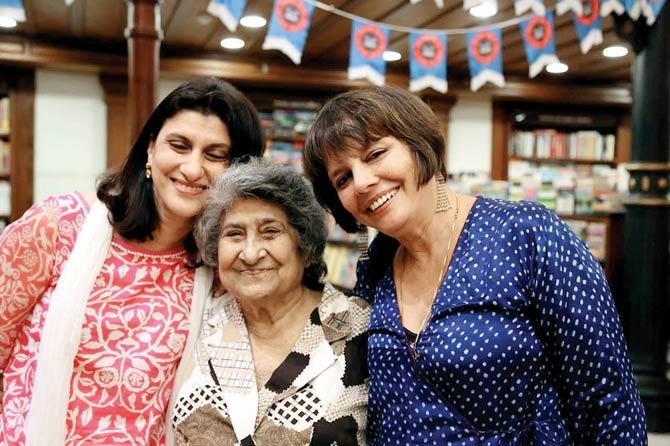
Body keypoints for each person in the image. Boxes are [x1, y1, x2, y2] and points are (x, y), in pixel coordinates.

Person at [302, 86, 647, 445]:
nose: (362, 182)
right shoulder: (376, 264)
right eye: (342, 177)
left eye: (375, 154)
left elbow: (610, 402)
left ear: (419, 144)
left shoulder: (527, 234)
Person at [0, 77, 264, 446]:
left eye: (215, 155)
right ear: (150, 149)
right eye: (179, 145)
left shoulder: (220, 274)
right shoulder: (60, 225)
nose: (191, 168)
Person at [171, 157, 370, 446]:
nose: (250, 253)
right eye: (234, 234)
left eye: (270, 231)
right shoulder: (201, 321)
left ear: (304, 244)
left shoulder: (360, 327)